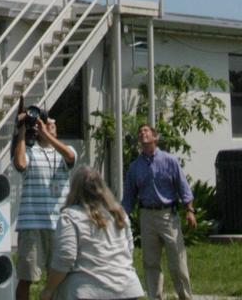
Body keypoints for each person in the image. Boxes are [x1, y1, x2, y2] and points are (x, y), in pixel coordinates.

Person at [39, 166, 143, 300]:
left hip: (87, 290)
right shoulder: (119, 215)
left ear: (74, 189)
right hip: (126, 289)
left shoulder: (70, 217)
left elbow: (66, 257)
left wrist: (49, 289)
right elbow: (129, 250)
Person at [121, 124, 196, 300]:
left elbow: (183, 187)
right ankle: (155, 297)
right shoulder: (134, 167)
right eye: (140, 131)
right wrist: (120, 217)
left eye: (146, 131)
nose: (142, 133)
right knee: (150, 263)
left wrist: (190, 210)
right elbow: (128, 198)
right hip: (146, 216)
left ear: (155, 137)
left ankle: (185, 297)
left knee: (177, 262)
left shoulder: (170, 161)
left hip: (168, 215)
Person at [12, 104, 76, 300]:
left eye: (50, 124)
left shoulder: (65, 150)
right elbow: (20, 164)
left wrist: (46, 134)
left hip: (60, 224)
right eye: (43, 124)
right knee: (27, 277)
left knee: (59, 276)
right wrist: (22, 129)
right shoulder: (30, 151)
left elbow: (70, 156)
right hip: (32, 224)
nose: (47, 126)